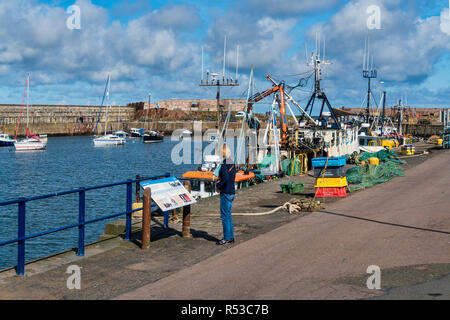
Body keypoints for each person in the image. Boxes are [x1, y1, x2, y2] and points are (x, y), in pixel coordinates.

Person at [215, 144, 236, 245]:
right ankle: (231, 237)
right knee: (228, 215)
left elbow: (225, 178)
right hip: (232, 191)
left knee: (224, 216)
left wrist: (218, 186)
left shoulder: (224, 164)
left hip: (225, 192)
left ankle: (226, 238)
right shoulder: (232, 163)